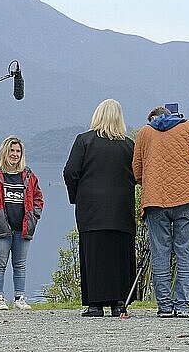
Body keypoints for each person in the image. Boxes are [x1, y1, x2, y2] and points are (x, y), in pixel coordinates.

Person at [132, 105, 189, 318]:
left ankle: (164, 307)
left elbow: (136, 167)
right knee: (185, 253)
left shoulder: (145, 132)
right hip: (188, 198)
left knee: (160, 253)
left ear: (153, 118)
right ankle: (182, 306)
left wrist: (147, 181)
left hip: (155, 201)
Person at [63, 99, 137, 317]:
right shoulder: (128, 145)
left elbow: (70, 172)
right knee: (120, 255)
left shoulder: (84, 141)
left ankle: (95, 304)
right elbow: (137, 174)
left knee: (93, 254)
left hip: (92, 209)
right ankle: (119, 302)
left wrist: (77, 196)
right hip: (121, 209)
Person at [0, 136, 44, 310]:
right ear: (4, 153)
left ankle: (19, 298)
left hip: (22, 229)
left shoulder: (29, 176)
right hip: (0, 229)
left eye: (18, 151)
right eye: (11, 151)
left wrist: (34, 216)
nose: (15, 154)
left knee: (20, 264)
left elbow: (38, 198)